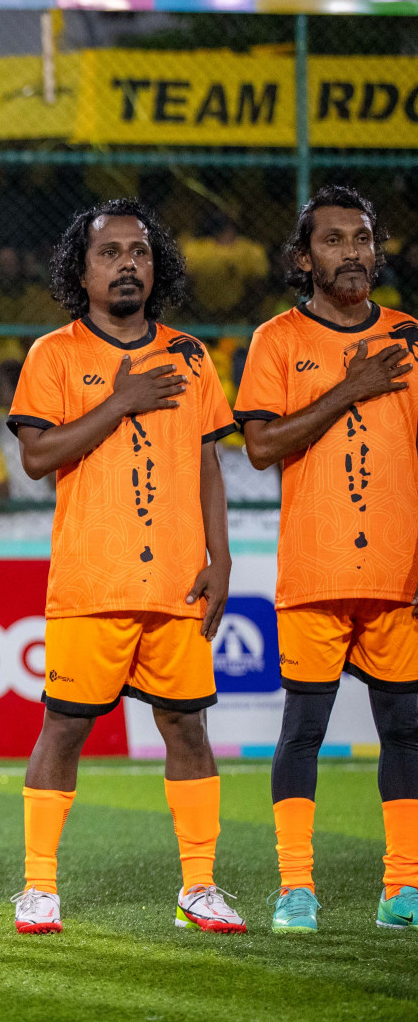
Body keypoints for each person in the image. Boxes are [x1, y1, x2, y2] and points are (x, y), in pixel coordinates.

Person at [7, 199, 243, 936]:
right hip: (92, 582)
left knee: (188, 729)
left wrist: (221, 558)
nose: (127, 264)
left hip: (176, 578)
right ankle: (39, 888)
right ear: (82, 270)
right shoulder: (54, 355)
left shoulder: (191, 356)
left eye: (138, 251)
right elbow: (38, 457)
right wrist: (122, 400)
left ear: (157, 263)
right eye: (109, 253)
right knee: (65, 730)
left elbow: (208, 463)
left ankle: (198, 887)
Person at [234, 185, 418, 934]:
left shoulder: (410, 334)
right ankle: (294, 887)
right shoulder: (277, 340)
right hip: (314, 573)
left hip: (397, 575)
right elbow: (262, 445)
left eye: (363, 237)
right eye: (335, 239)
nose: (353, 252)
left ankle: (402, 888)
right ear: (302, 258)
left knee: (406, 728)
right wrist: (354, 386)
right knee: (303, 728)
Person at [182, 212, 268, 323]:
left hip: (238, 312)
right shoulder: (197, 249)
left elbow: (259, 285)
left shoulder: (249, 250)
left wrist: (240, 310)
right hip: (201, 311)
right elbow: (185, 283)